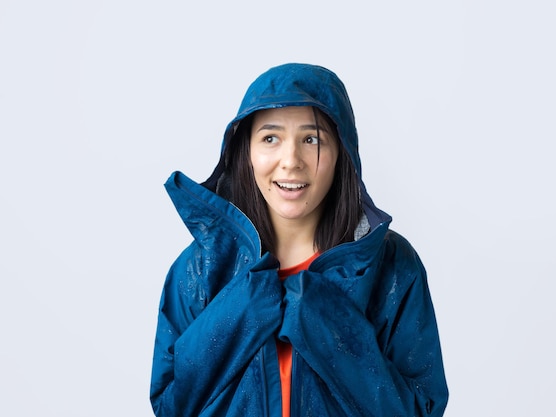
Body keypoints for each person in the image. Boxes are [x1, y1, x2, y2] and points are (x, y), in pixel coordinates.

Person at [149, 63, 449, 417]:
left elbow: (420, 411)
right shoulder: (200, 269)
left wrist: (324, 324)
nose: (290, 161)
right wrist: (240, 312)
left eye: (312, 139)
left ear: (343, 153)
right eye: (270, 138)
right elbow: (171, 408)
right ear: (246, 151)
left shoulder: (392, 266)